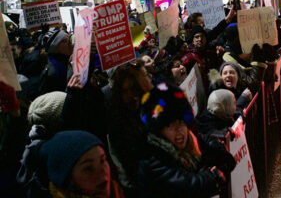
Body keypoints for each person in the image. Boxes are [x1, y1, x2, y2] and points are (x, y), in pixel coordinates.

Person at [137, 82, 236, 198]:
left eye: (181, 122)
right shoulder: (151, 157)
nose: (178, 130)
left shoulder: (192, 138)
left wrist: (223, 157)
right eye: (170, 125)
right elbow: (182, 184)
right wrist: (212, 177)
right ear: (160, 131)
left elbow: (207, 142)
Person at [107, 62, 153, 196]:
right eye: (125, 91)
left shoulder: (147, 107)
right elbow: (128, 162)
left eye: (133, 88)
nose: (130, 95)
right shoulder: (117, 121)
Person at [39, 130, 125, 197]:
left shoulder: (117, 192)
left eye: (102, 161)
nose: (102, 171)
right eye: (88, 168)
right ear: (67, 179)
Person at [38, 29, 73, 95]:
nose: (70, 43)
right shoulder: (51, 72)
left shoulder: (66, 61)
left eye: (69, 40)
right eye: (65, 41)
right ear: (55, 47)